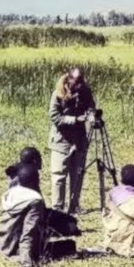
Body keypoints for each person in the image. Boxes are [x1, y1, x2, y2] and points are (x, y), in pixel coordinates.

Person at [48, 67, 96, 214]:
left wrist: (91, 115)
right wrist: (75, 119)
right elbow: (55, 116)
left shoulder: (85, 91)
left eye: (81, 82)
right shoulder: (58, 93)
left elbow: (91, 106)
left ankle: (74, 205)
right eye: (76, 82)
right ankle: (58, 209)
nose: (79, 85)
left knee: (78, 174)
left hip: (79, 139)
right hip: (61, 140)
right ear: (69, 79)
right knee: (59, 176)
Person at [0, 164, 48, 267]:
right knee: (67, 246)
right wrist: (27, 262)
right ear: (34, 181)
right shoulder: (34, 200)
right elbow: (29, 232)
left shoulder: (11, 193)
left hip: (3, 244)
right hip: (16, 250)